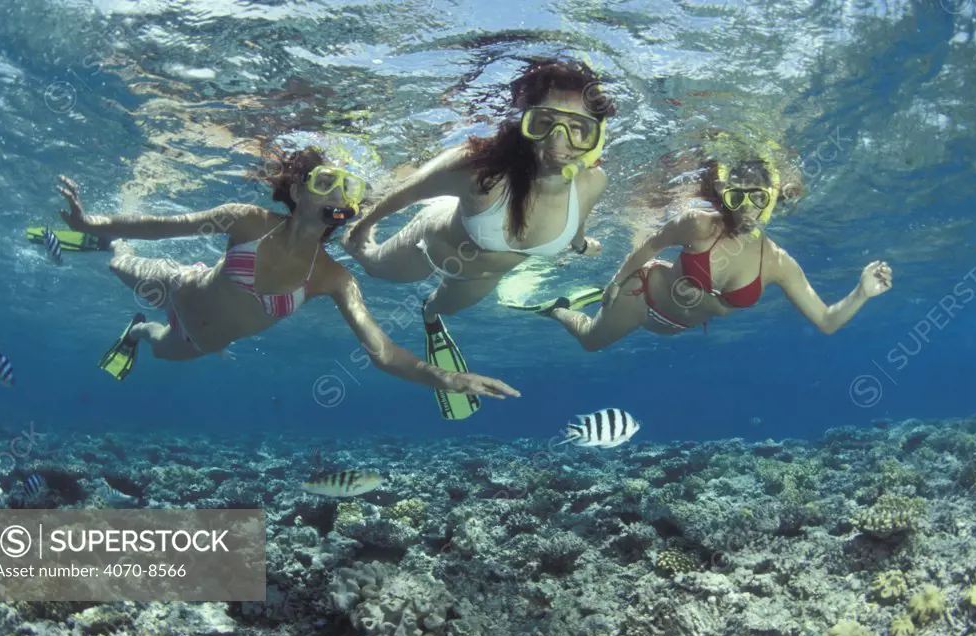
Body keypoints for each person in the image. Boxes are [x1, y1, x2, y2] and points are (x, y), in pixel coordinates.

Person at [53, 146, 520, 405]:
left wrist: (445, 379)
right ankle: (108, 245)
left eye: (348, 189)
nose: (338, 194)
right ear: (297, 190)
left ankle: (135, 328)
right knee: (119, 263)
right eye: (325, 183)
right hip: (176, 282)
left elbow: (382, 352)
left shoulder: (335, 279)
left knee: (158, 344)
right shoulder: (246, 221)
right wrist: (90, 223)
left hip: (199, 344)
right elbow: (163, 227)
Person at [340, 58, 615, 419]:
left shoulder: (593, 182)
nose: (557, 142)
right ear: (524, 123)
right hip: (431, 246)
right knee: (373, 267)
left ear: (596, 136)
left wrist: (581, 244)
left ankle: (429, 312)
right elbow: (405, 193)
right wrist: (360, 231)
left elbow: (575, 224)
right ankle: (366, 253)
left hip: (480, 276)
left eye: (579, 129)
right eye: (544, 123)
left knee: (443, 309)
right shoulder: (479, 170)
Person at [521, 145, 893, 349]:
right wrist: (618, 281)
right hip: (640, 298)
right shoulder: (699, 224)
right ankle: (557, 310)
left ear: (774, 199)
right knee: (589, 340)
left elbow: (826, 322)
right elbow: (652, 243)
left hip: (673, 327)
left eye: (757, 198)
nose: (746, 209)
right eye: (736, 197)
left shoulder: (780, 263)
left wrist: (861, 292)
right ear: (723, 196)